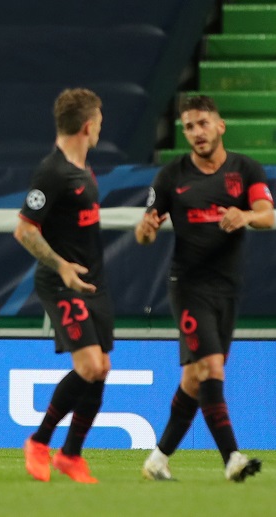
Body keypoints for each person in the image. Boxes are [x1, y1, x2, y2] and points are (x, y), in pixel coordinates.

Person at [136, 95, 271, 482]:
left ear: (220, 126)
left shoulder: (245, 169)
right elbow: (146, 232)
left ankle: (158, 459)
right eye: (189, 126)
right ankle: (233, 458)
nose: (197, 132)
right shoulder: (171, 175)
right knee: (211, 368)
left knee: (196, 378)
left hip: (228, 288)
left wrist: (245, 214)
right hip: (188, 286)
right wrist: (146, 230)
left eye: (203, 123)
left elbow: (267, 215)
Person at [14, 88, 110, 484]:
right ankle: (39, 442)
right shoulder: (51, 172)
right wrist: (62, 267)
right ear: (87, 126)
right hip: (60, 282)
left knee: (101, 369)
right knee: (88, 366)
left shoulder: (83, 169)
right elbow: (24, 230)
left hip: (92, 283)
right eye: (99, 122)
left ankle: (71, 455)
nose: (101, 128)